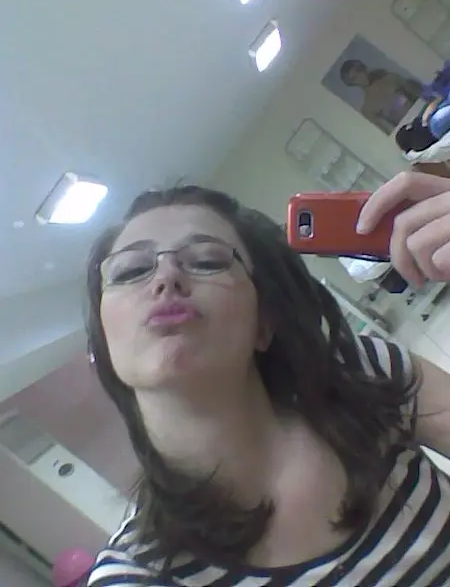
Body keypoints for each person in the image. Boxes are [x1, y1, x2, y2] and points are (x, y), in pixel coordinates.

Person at [87, 177, 450, 586]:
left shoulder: (359, 371)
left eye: (207, 261)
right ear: (102, 345)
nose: (166, 278)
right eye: (131, 271)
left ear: (264, 322)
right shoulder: (136, 575)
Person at [340, 59, 422, 134]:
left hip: (423, 111)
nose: (361, 75)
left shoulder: (391, 78)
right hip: (412, 131)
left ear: (364, 67)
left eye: (360, 69)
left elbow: (419, 92)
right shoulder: (367, 109)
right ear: (352, 83)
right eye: (354, 78)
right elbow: (388, 131)